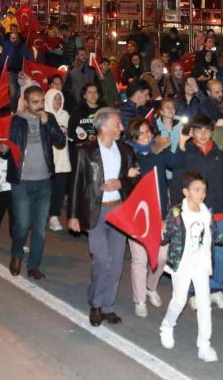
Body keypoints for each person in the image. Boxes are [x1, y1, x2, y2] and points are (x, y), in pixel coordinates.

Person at [67, 108, 139, 326]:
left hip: (119, 211)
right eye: (118, 124)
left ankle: (108, 306)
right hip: (95, 211)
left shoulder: (126, 151)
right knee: (102, 260)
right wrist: (72, 216)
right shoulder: (85, 152)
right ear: (104, 126)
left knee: (116, 263)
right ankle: (95, 303)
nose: (122, 128)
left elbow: (134, 180)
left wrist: (121, 183)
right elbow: (76, 184)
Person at [160, 172, 223, 362]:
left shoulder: (207, 213)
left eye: (203, 190)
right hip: (182, 265)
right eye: (196, 190)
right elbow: (166, 237)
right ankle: (167, 326)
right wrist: (161, 231)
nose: (201, 194)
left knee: (204, 304)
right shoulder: (176, 212)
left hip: (201, 264)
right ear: (186, 192)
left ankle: (204, 345)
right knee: (179, 300)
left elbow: (215, 235)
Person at [171, 115, 223, 311]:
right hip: (192, 213)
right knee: (195, 251)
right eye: (199, 130)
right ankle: (193, 291)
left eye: (207, 130)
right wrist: (175, 211)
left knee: (222, 250)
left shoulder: (219, 155)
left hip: (217, 212)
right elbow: (176, 184)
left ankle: (215, 288)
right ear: (193, 132)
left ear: (212, 132)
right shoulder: (185, 154)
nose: (203, 134)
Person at [125, 118, 187, 318]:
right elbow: (118, 179)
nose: (146, 136)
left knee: (161, 258)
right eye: (141, 133)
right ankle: (140, 299)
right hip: (136, 216)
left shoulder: (158, 151)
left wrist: (182, 142)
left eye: (147, 132)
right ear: (133, 137)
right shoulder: (128, 155)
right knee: (139, 260)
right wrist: (127, 174)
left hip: (160, 214)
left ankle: (151, 287)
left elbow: (176, 163)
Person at [5, 86, 67, 280]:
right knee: (22, 224)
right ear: (25, 101)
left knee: (40, 228)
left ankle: (33, 265)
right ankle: (16, 255)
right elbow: (5, 151)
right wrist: (2, 147)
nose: (40, 105)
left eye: (41, 101)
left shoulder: (48, 118)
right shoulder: (15, 121)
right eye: (35, 102)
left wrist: (48, 124)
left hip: (43, 182)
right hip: (21, 181)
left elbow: (60, 141)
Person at [44, 87, 72, 232]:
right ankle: (42, 215)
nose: (58, 100)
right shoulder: (43, 116)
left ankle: (54, 216)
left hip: (63, 160)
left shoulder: (65, 115)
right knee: (45, 190)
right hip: (47, 160)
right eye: (55, 98)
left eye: (60, 98)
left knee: (59, 191)